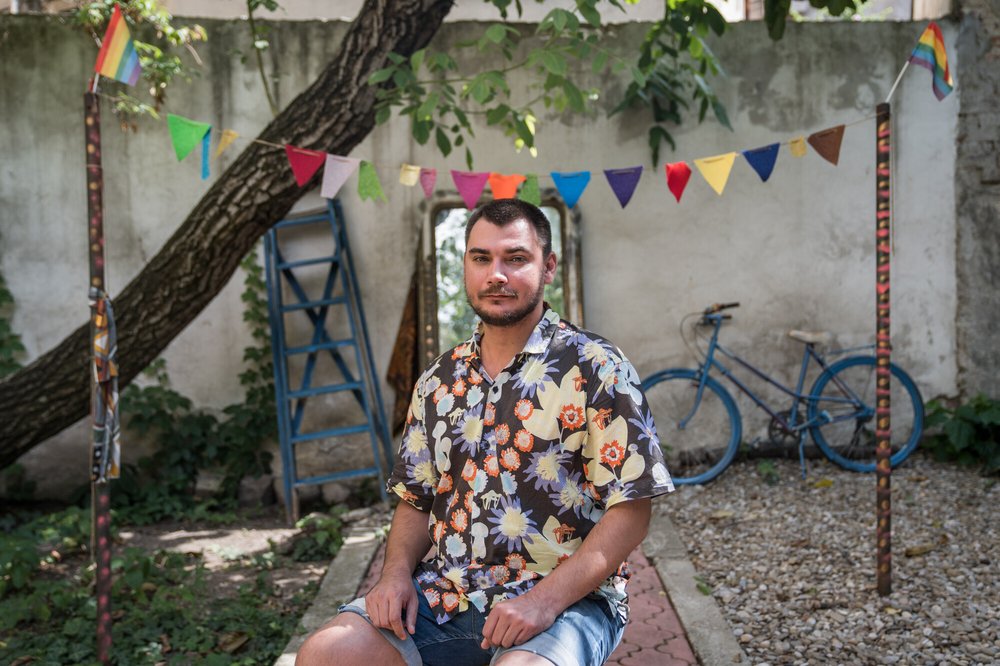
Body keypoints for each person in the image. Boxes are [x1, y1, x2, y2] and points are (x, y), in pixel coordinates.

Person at [296, 199, 673, 666]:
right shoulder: (438, 379)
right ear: (466, 267)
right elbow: (416, 499)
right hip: (448, 594)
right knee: (325, 654)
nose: (497, 274)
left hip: (568, 601)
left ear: (548, 266)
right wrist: (394, 574)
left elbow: (631, 511)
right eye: (481, 258)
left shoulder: (597, 368)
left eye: (515, 258)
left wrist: (542, 602)